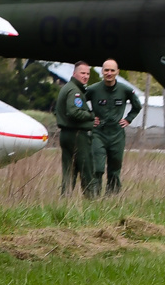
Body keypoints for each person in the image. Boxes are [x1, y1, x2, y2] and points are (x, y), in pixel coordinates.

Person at [87, 59, 143, 194]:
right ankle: (93, 197)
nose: (109, 73)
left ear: (117, 72)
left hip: (117, 135)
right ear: (102, 71)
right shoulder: (93, 89)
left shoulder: (125, 90)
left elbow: (137, 106)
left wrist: (128, 119)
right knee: (98, 168)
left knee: (114, 169)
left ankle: (112, 197)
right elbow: (78, 104)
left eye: (112, 70)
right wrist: (89, 118)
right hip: (98, 133)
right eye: (106, 70)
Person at [55, 61, 99, 197]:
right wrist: (91, 116)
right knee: (87, 169)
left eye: (87, 74)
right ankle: (91, 201)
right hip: (77, 135)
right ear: (74, 73)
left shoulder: (68, 87)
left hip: (66, 134)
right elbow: (73, 111)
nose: (85, 76)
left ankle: (65, 201)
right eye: (82, 73)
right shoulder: (75, 91)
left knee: (69, 171)